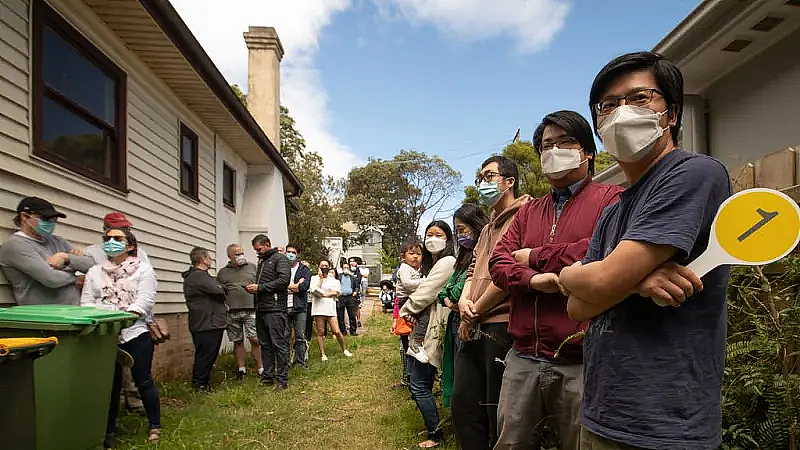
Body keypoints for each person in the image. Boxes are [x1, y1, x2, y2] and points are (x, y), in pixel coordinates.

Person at [559, 51, 731, 450]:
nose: (622, 112)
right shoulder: (614, 209)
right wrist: (636, 282)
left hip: (667, 424)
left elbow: (599, 281)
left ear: (670, 113)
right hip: (604, 411)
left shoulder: (693, 173)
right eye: (608, 105)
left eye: (639, 98)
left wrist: (574, 277)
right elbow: (576, 309)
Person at [489, 110, 624, 450]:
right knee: (510, 443)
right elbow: (499, 262)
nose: (554, 151)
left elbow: (601, 250)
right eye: (547, 145)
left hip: (581, 359)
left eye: (566, 142)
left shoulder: (610, 199)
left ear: (588, 153)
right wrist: (536, 281)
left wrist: (534, 255)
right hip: (523, 355)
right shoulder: (529, 211)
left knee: (583, 444)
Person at [450, 156, 529, 449]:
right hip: (472, 322)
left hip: (500, 325)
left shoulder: (525, 216)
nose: (483, 183)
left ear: (509, 182)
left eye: (489, 176)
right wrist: (463, 304)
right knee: (463, 405)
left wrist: (474, 311)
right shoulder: (485, 230)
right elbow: (472, 271)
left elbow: (508, 274)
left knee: (497, 409)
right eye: (480, 178)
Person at [80, 227, 161, 446]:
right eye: (107, 238)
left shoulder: (143, 271)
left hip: (134, 332)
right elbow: (87, 301)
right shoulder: (95, 272)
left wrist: (122, 319)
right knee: (110, 384)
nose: (111, 242)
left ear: (131, 246)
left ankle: (154, 425)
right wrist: (102, 323)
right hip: (104, 335)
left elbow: (144, 300)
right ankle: (108, 431)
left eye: (117, 239)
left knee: (143, 380)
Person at [399, 221, 456, 449]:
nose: (433, 238)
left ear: (448, 238)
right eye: (429, 234)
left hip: (433, 331)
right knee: (415, 383)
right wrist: (414, 312)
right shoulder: (429, 265)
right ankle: (435, 425)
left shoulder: (447, 262)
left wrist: (407, 310)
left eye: (439, 234)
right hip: (422, 329)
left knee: (420, 384)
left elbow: (427, 292)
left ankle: (435, 433)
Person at [0, 197, 95, 305]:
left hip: (73, 310)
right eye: (45, 218)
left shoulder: (57, 241)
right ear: (25, 216)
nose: (50, 223)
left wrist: (67, 258)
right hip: (45, 316)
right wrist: (79, 277)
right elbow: (51, 279)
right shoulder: (15, 245)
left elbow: (92, 265)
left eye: (54, 220)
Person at [440, 204, 487, 409]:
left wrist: (453, 299)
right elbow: (444, 293)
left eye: (462, 230)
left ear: (476, 226)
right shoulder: (462, 259)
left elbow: (456, 293)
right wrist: (452, 302)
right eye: (457, 231)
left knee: (469, 383)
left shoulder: (482, 258)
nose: (460, 236)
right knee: (455, 373)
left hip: (472, 326)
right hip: (455, 323)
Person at [247, 234, 291, 389]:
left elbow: (283, 281)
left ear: (267, 244)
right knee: (265, 344)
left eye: (259, 249)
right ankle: (268, 376)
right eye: (256, 250)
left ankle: (282, 379)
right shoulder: (262, 261)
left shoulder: (280, 259)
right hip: (261, 308)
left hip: (275, 308)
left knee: (279, 344)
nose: (257, 252)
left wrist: (260, 288)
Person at [182, 247, 227, 391]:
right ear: (202, 259)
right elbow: (219, 290)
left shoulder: (202, 276)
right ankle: (200, 384)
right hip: (206, 322)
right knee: (206, 355)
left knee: (208, 354)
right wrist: (220, 288)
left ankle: (203, 382)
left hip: (208, 322)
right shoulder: (198, 276)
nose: (211, 260)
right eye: (209, 257)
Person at [216, 244, 263, 380]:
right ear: (230, 256)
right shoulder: (223, 272)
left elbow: (261, 284)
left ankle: (261, 368)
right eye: (237, 254)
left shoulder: (252, 267)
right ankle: (241, 369)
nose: (240, 256)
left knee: (255, 339)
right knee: (237, 341)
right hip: (232, 311)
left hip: (250, 310)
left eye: (241, 253)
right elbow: (219, 290)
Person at [393, 240, 423, 387]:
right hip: (406, 302)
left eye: (419, 254)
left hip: (411, 300)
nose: (415, 257)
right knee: (409, 335)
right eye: (411, 253)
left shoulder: (415, 270)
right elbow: (408, 284)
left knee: (413, 335)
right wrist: (426, 281)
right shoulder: (404, 268)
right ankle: (408, 374)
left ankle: (410, 373)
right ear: (403, 256)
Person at [310, 259, 352, 361]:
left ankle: (344, 349)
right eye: (322, 265)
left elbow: (336, 292)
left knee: (336, 331)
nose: (324, 267)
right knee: (320, 332)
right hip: (318, 308)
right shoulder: (314, 278)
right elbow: (313, 290)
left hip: (330, 308)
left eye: (326, 265)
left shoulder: (334, 280)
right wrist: (320, 281)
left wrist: (322, 293)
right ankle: (323, 354)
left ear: (329, 267)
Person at [85, 212, 150, 266]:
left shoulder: (139, 253)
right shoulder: (92, 252)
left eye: (126, 229)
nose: (123, 232)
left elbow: (150, 277)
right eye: (118, 228)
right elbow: (81, 278)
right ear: (105, 230)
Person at [286, 243, 311, 367]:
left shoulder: (304, 270)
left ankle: (300, 362)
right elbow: (276, 286)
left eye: (293, 252)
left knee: (300, 336)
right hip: (283, 306)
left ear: (298, 255)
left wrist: (296, 287)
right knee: (285, 336)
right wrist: (295, 286)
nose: (290, 254)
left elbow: (304, 287)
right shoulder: (281, 268)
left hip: (299, 307)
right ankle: (285, 362)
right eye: (288, 252)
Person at [337, 259, 361, 336]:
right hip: (341, 297)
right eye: (344, 268)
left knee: (352, 315)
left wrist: (355, 292)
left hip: (350, 297)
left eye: (347, 267)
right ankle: (343, 331)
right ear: (342, 268)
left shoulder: (352, 277)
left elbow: (357, 286)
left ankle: (353, 331)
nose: (346, 269)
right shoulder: (339, 277)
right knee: (340, 316)